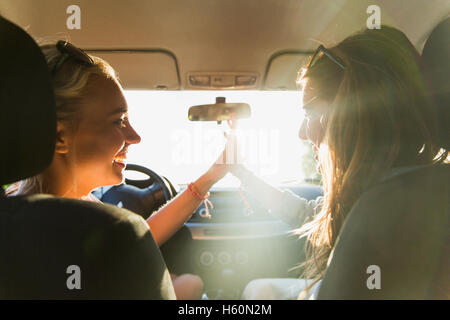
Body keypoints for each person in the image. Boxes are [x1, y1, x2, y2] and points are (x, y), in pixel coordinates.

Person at [6, 40, 231, 300]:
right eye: (118, 121)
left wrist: (211, 177)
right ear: (59, 138)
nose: (135, 137)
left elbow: (136, 239)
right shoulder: (84, 227)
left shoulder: (27, 218)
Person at [234, 25, 447, 299]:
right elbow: (312, 215)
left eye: (311, 112)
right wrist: (244, 175)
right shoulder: (396, 192)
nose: (301, 133)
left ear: (350, 118)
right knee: (260, 288)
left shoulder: (375, 208)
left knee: (256, 291)